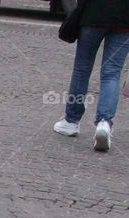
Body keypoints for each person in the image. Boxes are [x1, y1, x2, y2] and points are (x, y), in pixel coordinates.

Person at [53, 0, 129, 152]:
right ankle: (104, 122)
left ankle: (71, 121)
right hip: (125, 18)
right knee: (112, 73)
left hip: (93, 14)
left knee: (82, 69)